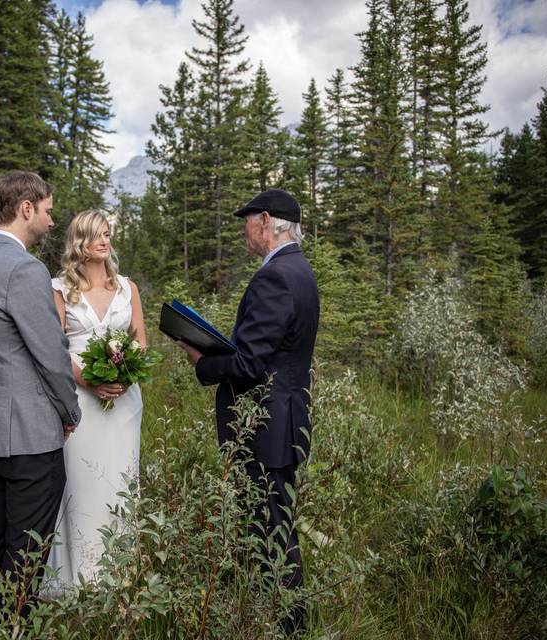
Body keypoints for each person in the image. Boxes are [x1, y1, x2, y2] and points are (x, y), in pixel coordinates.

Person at [176, 188, 320, 633]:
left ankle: (287, 624)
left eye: (246, 221)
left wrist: (204, 361)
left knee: (272, 531)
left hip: (266, 427)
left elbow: (249, 363)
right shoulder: (300, 271)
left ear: (264, 221)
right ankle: (272, 618)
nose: (243, 230)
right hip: (286, 421)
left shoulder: (275, 277)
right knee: (274, 526)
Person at [0, 170, 81, 618]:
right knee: (26, 552)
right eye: (47, 212)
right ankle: (12, 627)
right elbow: (51, 354)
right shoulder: (25, 269)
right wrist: (70, 412)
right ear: (25, 208)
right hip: (30, 434)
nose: (51, 222)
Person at [43, 209, 147, 593]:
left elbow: (140, 340)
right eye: (95, 235)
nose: (104, 241)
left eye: (107, 234)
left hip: (123, 402)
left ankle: (118, 576)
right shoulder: (59, 288)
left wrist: (123, 372)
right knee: (82, 484)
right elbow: (55, 347)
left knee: (120, 482)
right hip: (80, 403)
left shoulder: (127, 287)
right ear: (79, 243)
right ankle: (77, 580)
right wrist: (87, 380)